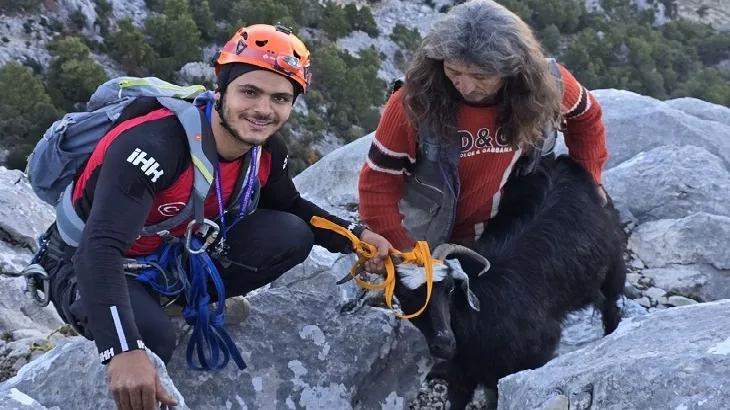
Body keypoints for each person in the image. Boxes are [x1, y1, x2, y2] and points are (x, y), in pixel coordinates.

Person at [39, 23, 391, 410]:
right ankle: (136, 317)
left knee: (291, 234)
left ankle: (166, 303)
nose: (263, 110)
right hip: (84, 262)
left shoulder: (265, 150)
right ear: (221, 89)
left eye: (280, 98)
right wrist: (123, 351)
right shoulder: (156, 145)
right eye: (250, 92)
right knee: (150, 342)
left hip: (167, 260)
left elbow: (290, 207)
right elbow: (98, 248)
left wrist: (355, 236)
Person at [358, 0, 609, 274]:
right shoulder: (414, 102)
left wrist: (590, 179)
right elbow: (378, 181)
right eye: (453, 71)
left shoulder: (548, 83)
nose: (464, 86)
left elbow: (587, 116)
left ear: (514, 68)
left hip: (511, 233)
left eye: (481, 75)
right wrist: (404, 255)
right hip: (430, 240)